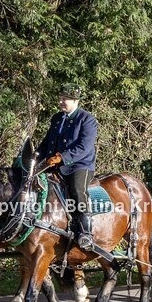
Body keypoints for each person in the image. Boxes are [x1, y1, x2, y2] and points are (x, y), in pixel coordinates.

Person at [37, 84, 98, 250]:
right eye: (60, 98)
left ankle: (86, 233)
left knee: (77, 189)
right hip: (55, 164)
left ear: (75, 100)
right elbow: (47, 142)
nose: (61, 101)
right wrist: (35, 157)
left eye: (65, 99)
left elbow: (84, 147)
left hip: (80, 165)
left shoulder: (87, 119)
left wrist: (62, 158)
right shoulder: (57, 118)